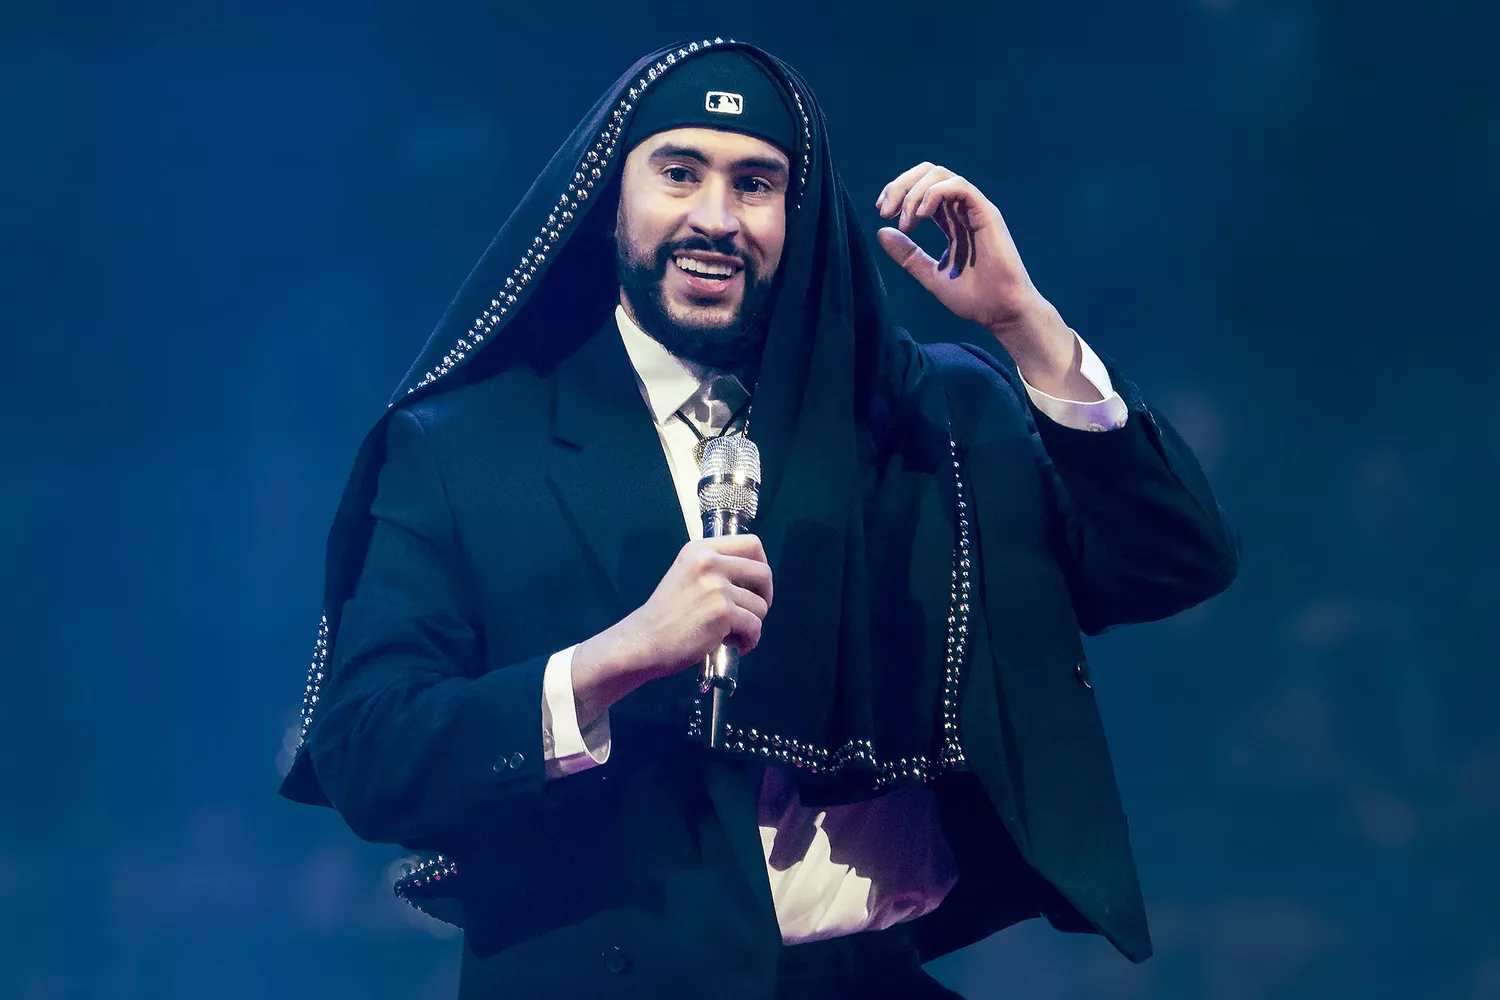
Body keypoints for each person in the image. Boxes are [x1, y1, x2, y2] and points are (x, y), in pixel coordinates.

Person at [278, 39, 1239, 999]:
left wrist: (1025, 323)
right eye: (679, 173)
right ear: (610, 198)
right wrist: (614, 660)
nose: (715, 217)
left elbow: (1173, 563)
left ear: (799, 213)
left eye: (755, 184)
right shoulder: (461, 447)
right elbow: (367, 751)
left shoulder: (923, 418)